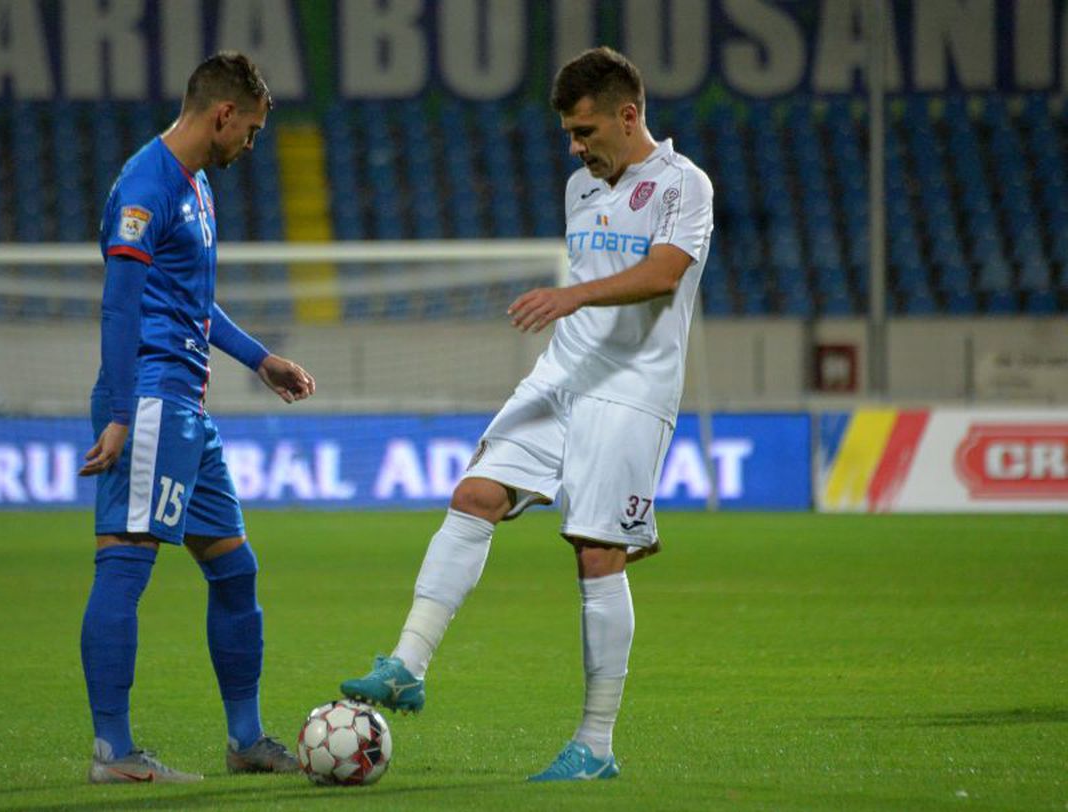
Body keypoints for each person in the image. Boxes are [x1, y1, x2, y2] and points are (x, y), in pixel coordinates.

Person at [340, 46, 713, 782]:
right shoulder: (581, 188)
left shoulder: (683, 184)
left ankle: (595, 745)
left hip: (632, 389)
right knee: (474, 494)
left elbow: (666, 273)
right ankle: (407, 664)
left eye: (584, 132)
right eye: (570, 136)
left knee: (596, 551)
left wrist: (571, 297)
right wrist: (571, 313)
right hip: (563, 375)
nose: (575, 149)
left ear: (628, 116)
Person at [78, 51, 316, 785]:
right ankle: (113, 753)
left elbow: (186, 300)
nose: (250, 144)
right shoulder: (146, 184)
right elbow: (121, 304)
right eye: (249, 130)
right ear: (222, 114)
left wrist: (258, 357)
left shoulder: (197, 187)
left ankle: (245, 738)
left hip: (186, 403)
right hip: (148, 400)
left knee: (235, 569)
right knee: (126, 562)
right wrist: (121, 414)